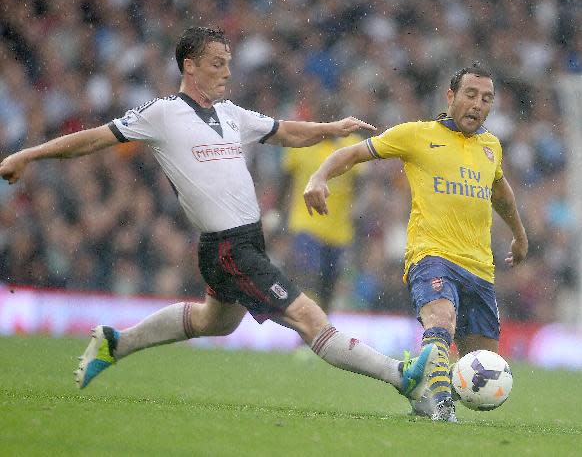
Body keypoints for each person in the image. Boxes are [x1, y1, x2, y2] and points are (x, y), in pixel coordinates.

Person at [0, 26, 437, 403]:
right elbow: (92, 139)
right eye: (217, 63)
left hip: (243, 241)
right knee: (309, 319)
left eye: (228, 62)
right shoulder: (162, 114)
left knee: (216, 321)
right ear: (189, 66)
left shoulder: (229, 114)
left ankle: (117, 343)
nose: (227, 71)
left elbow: (284, 131)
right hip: (230, 247)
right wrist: (29, 155)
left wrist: (331, 129)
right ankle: (401, 377)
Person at [304, 63, 528, 422]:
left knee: (480, 362)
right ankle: (440, 407)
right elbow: (354, 152)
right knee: (441, 320)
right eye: (471, 95)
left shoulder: (491, 147)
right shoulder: (416, 135)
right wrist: (319, 175)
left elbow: (500, 192)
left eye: (487, 99)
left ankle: (428, 391)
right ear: (451, 96)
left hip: (480, 268)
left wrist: (519, 235)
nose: (478, 104)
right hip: (431, 255)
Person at [280, 135, 361, 313]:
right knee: (309, 276)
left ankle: (321, 329)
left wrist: (358, 209)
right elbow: (285, 181)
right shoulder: (301, 143)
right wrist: (278, 213)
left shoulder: (351, 146)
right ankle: (305, 324)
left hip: (338, 231)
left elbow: (361, 183)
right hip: (306, 223)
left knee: (328, 286)